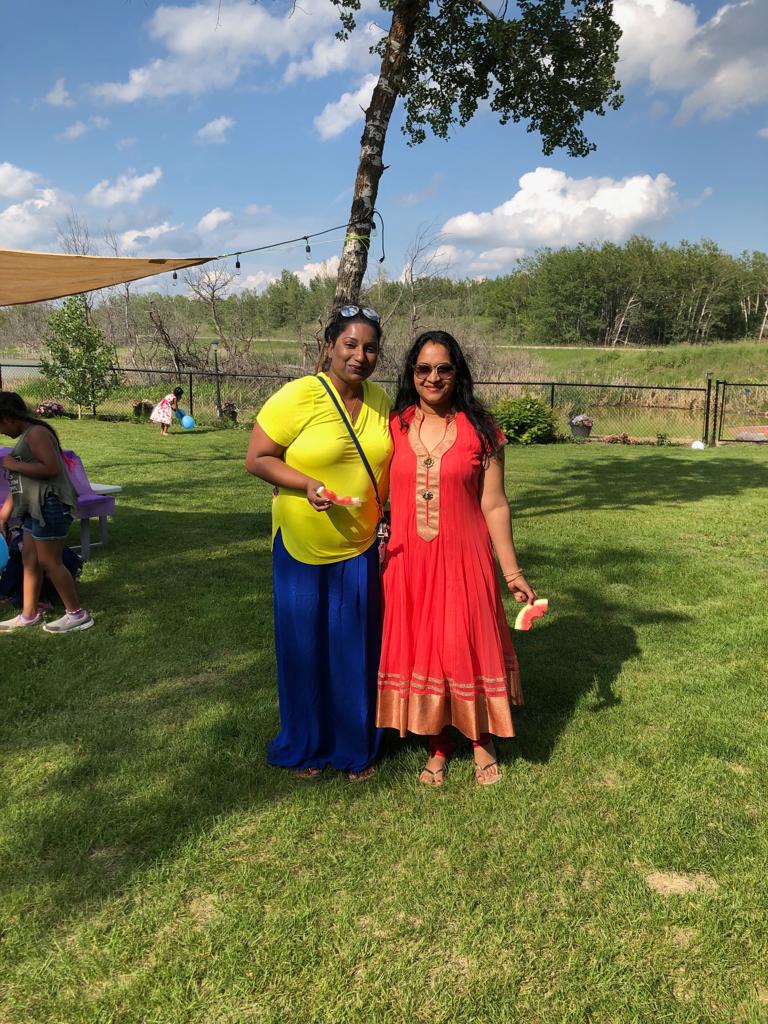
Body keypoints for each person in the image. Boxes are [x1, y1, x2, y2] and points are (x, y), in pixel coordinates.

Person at [376, 331, 536, 786]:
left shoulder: (482, 429)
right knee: (423, 650)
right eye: (423, 369)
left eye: (443, 368)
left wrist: (512, 571)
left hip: (465, 557)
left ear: (457, 372)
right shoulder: (394, 427)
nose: (433, 377)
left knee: (462, 645)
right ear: (411, 374)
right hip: (408, 561)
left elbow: (495, 504)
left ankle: (482, 739)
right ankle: (438, 742)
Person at [245, 306, 393, 781]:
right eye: (350, 344)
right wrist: (305, 483)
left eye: (370, 348)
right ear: (329, 346)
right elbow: (258, 458)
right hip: (301, 544)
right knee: (304, 649)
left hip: (360, 545)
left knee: (355, 650)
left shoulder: (381, 400)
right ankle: (306, 744)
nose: (360, 356)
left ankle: (355, 746)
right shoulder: (299, 395)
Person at [0, 392, 94, 633]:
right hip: (34, 508)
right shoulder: (27, 435)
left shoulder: (37, 433)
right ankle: (29, 614)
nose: (2, 432)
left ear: (8, 418)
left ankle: (77, 614)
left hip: (50, 506)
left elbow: (51, 468)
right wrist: (4, 514)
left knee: (49, 561)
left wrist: (13, 464)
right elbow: (20, 480)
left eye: (0, 426)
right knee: (29, 559)